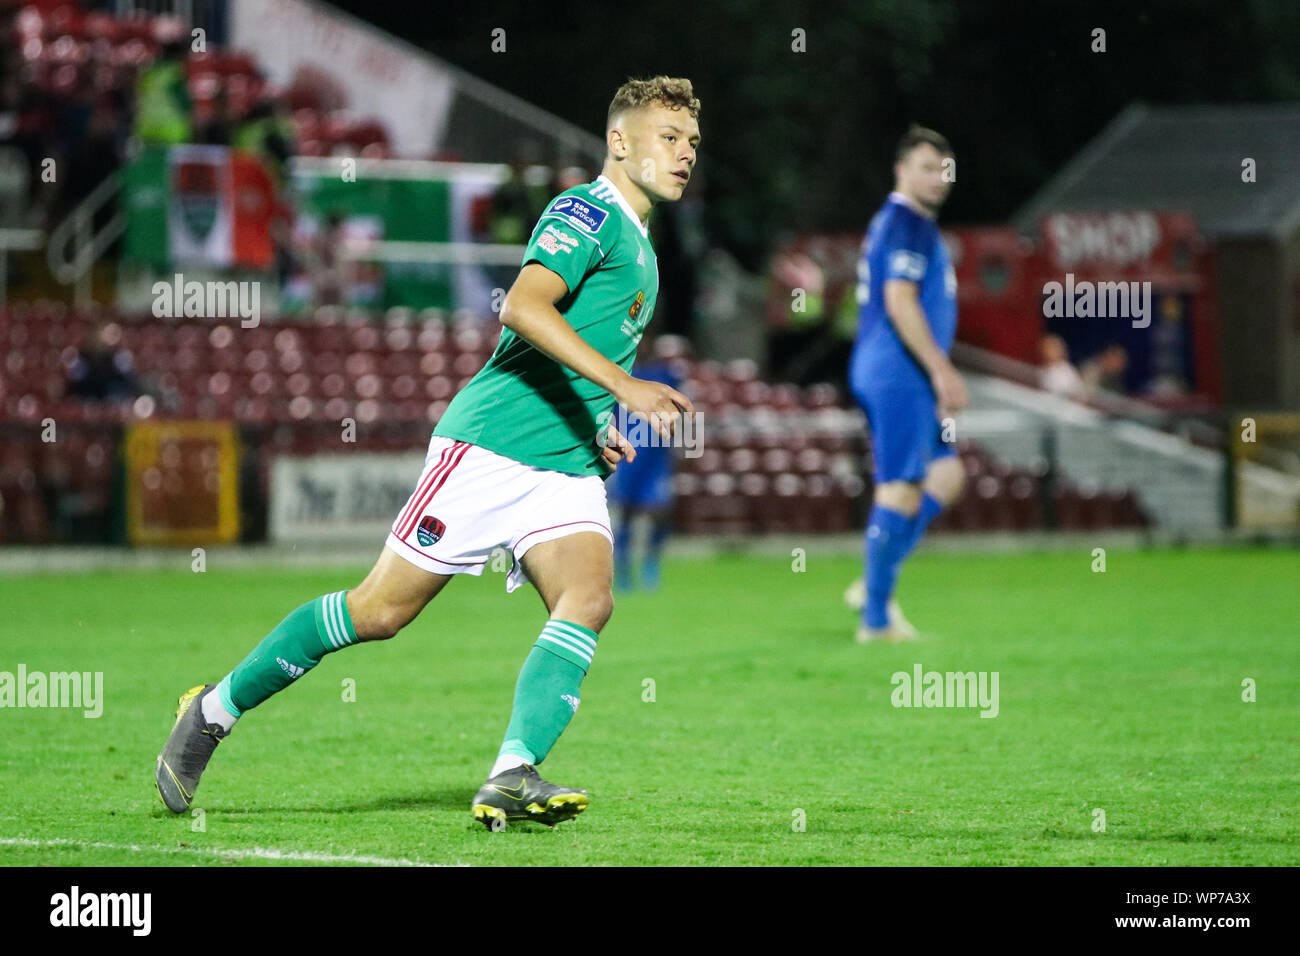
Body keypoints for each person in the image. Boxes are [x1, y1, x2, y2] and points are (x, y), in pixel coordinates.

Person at [155, 76, 700, 829]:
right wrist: (626, 386)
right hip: (492, 446)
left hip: (564, 465)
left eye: (692, 143)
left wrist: (598, 415)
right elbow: (523, 305)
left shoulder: (641, 243)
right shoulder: (587, 210)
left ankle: (513, 770)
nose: (684, 155)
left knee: (590, 597)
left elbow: (574, 339)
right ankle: (212, 709)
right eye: (668, 138)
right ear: (619, 141)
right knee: (378, 613)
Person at [845, 126, 967, 643]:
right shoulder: (908, 222)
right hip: (899, 372)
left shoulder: (906, 222)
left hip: (901, 371)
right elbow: (900, 300)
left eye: (943, 169)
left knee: (948, 474)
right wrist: (941, 368)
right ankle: (875, 618)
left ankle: (876, 577)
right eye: (925, 167)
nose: (936, 178)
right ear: (901, 170)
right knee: (900, 486)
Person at [608, 335, 684, 590]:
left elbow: (682, 395)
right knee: (627, 514)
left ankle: (651, 559)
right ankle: (624, 568)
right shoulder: (619, 379)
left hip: (656, 457)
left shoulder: (663, 377)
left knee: (661, 513)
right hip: (629, 457)